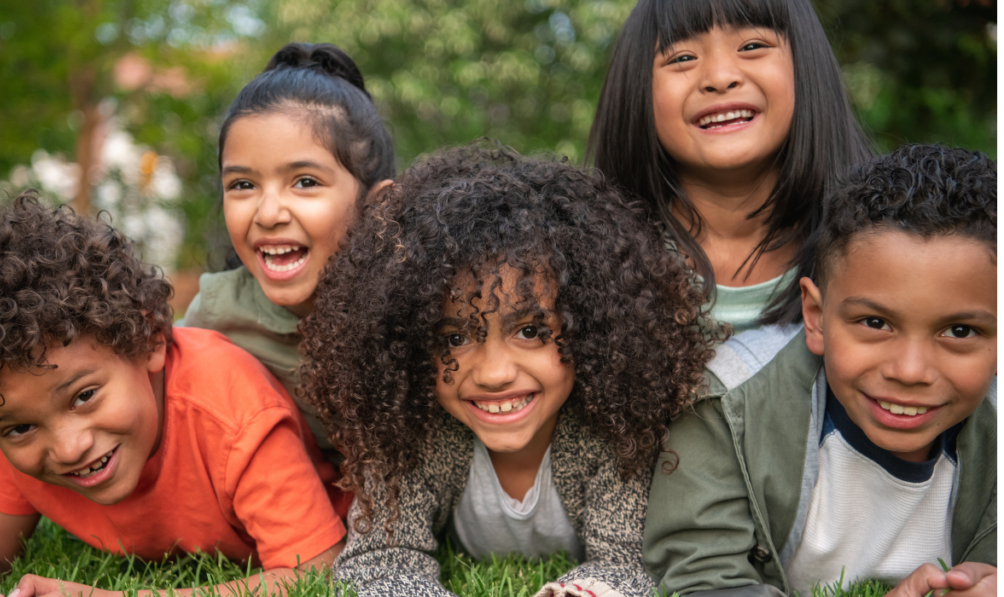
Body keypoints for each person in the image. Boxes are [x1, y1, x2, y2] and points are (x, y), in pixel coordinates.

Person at [298, 145, 721, 597]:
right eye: (454, 339)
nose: (494, 373)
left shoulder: (612, 434)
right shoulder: (416, 436)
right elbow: (379, 559)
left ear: (593, 327)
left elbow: (630, 563)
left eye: (532, 330)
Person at [642, 145, 996, 597]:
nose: (911, 371)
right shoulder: (727, 406)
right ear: (815, 316)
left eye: (960, 331)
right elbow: (703, 578)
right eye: (875, 323)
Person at [0, 193, 346, 597]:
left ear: (149, 340)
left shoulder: (231, 410)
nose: (69, 448)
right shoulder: (20, 411)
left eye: (84, 397)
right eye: (18, 429)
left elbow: (316, 571)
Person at [181, 42, 396, 510]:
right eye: (243, 185)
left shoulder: (409, 311)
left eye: (304, 182)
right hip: (286, 508)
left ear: (376, 206)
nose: (268, 211)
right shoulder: (217, 315)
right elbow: (149, 395)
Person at [589, 0, 872, 335]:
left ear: (806, 65)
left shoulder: (887, 244)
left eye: (752, 46)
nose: (720, 78)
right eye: (682, 58)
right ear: (636, 91)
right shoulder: (589, 267)